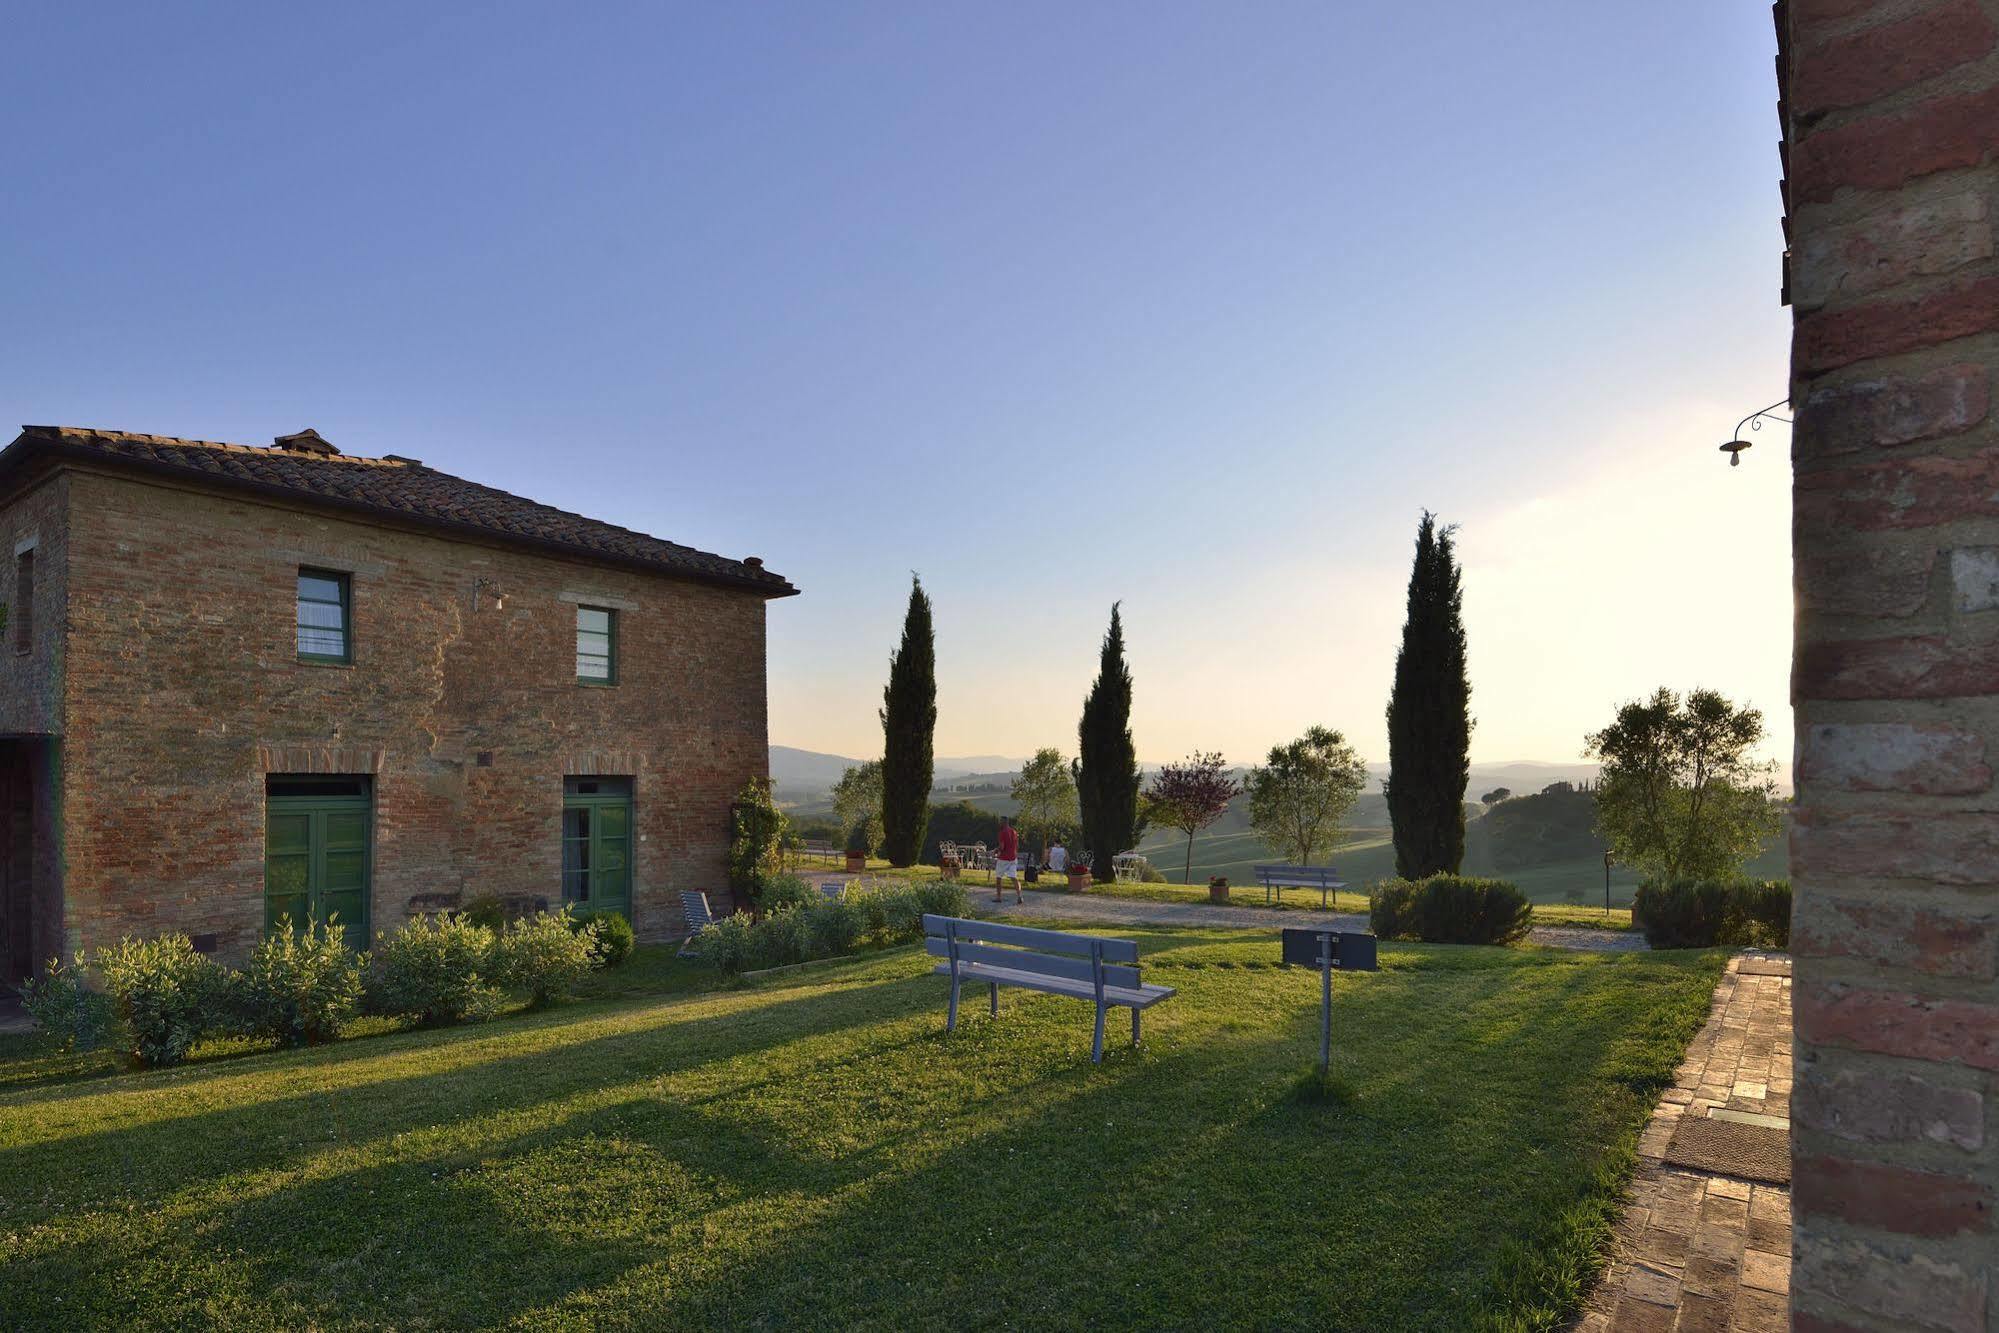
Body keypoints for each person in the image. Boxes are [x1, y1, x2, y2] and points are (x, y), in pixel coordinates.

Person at [994, 816, 1022, 903]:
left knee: (999, 878)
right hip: (1013, 857)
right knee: (1014, 877)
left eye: (1000, 821)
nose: (999, 823)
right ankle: (1019, 896)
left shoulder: (1002, 832)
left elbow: (1002, 847)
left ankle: (998, 897)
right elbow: (1017, 846)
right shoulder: (1014, 832)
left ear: (1003, 822)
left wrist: (995, 851)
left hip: (1003, 859)